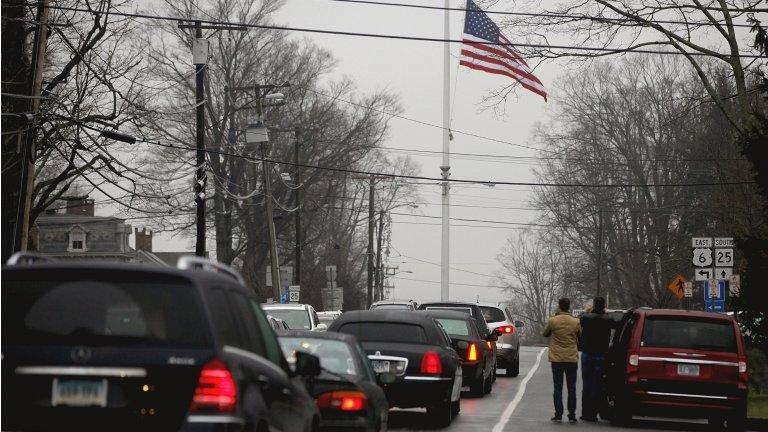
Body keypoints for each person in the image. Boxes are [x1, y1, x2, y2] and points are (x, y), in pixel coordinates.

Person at [578, 297, 618, 421]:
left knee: (587, 383)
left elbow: (578, 321)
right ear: (604, 306)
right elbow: (618, 324)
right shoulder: (608, 319)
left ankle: (586, 413)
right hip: (601, 354)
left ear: (594, 305)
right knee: (598, 384)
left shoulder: (585, 318)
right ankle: (594, 412)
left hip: (587, 353)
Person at [543, 297, 581, 423]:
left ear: (559, 306)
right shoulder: (575, 321)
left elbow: (545, 333)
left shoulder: (553, 320)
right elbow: (580, 335)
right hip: (571, 358)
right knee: (572, 387)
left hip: (557, 358)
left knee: (558, 387)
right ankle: (572, 414)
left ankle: (558, 414)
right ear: (569, 306)